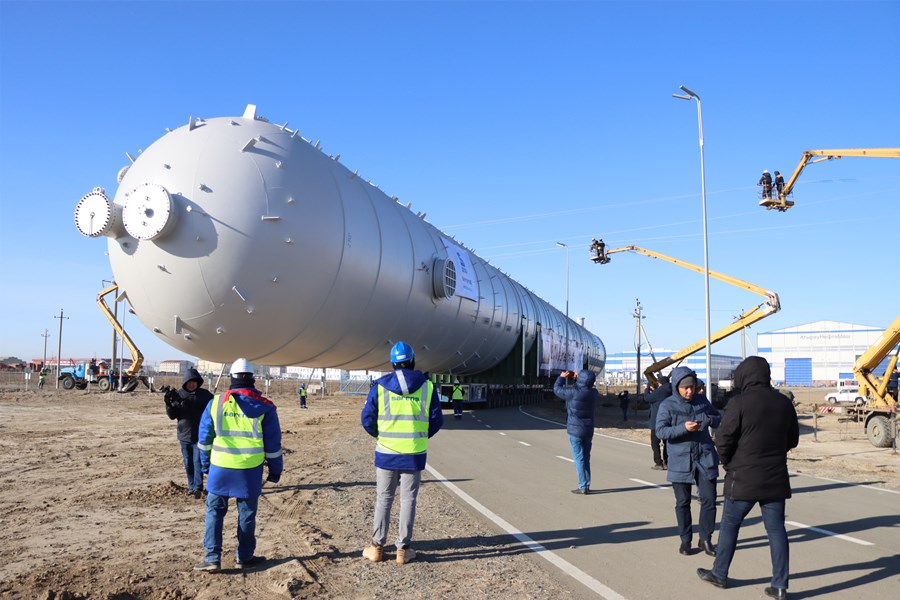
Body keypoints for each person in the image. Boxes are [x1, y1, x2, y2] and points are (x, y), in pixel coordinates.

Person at [697, 356, 799, 599]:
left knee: (731, 525)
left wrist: (729, 463)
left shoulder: (738, 403)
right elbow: (792, 440)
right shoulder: (784, 403)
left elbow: (723, 439)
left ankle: (720, 573)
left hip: (742, 477)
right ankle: (781, 585)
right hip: (775, 477)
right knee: (776, 531)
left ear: (744, 376)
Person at [194, 358, 283, 572]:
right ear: (252, 379)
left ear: (231, 378)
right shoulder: (265, 407)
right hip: (249, 471)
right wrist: (275, 470)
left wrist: (206, 466)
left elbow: (204, 440)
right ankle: (244, 557)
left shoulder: (215, 403)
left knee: (214, 512)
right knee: (247, 514)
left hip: (220, 468)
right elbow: (273, 444)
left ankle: (212, 558)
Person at [361, 342, 444, 564]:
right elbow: (436, 420)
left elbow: (367, 419)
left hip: (386, 453)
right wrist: (420, 436)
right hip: (414, 454)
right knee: (408, 500)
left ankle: (377, 547)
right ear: (413, 361)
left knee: (383, 498)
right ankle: (403, 550)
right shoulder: (427, 386)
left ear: (393, 363)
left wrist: (382, 435)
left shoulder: (379, 387)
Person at [655, 366, 721, 557]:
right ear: (676, 386)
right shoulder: (667, 405)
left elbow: (718, 418)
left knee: (709, 500)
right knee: (683, 502)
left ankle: (706, 538)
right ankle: (686, 540)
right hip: (680, 460)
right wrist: (683, 428)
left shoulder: (702, 401)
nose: (689, 391)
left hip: (704, 457)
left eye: (692, 387)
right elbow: (661, 431)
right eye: (685, 388)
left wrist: (709, 419)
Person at [164, 368, 214, 498]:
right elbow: (172, 415)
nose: (191, 384)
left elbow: (214, 409)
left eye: (194, 382)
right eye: (189, 382)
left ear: (198, 382)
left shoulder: (205, 395)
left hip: (200, 436)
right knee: (188, 462)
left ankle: (198, 487)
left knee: (198, 461)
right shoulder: (178, 395)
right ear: (185, 382)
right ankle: (191, 486)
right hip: (184, 435)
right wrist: (168, 404)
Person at [553, 368, 599, 494]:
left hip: (575, 430)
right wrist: (578, 380)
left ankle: (582, 486)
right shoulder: (593, 392)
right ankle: (587, 484)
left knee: (579, 458)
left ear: (581, 379)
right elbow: (583, 388)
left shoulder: (573, 392)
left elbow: (557, 389)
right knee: (586, 458)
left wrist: (562, 377)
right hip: (588, 429)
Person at [646, 375, 671, 470]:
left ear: (660, 383)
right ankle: (667, 462)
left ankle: (658, 463)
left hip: (656, 422)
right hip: (668, 421)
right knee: (667, 443)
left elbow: (647, 398)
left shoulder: (659, 392)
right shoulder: (671, 390)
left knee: (655, 443)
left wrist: (647, 389)